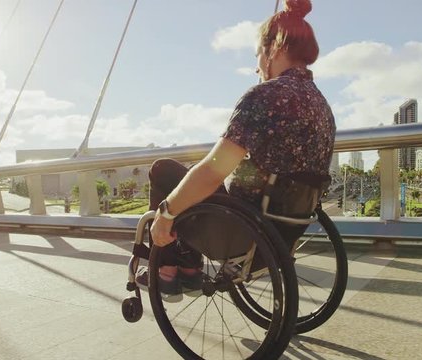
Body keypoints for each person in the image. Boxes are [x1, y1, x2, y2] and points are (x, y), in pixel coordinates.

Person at [137, 0, 335, 296]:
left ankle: (167, 270)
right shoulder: (322, 105)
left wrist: (165, 214)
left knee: (164, 170)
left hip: (241, 232)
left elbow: (213, 172)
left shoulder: (266, 96)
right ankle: (189, 270)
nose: (257, 64)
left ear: (274, 49)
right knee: (190, 174)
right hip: (283, 230)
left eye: (258, 53)